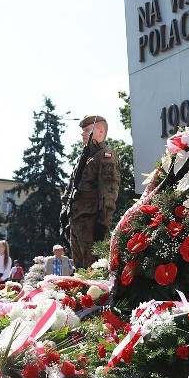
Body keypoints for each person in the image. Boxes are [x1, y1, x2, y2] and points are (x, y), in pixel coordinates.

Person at [64, 114, 121, 268]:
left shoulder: (105, 155)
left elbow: (109, 190)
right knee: (79, 270)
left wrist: (103, 222)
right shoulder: (83, 158)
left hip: (91, 220)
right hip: (76, 218)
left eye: (87, 130)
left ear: (101, 131)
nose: (83, 133)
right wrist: (65, 211)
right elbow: (70, 188)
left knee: (93, 269)